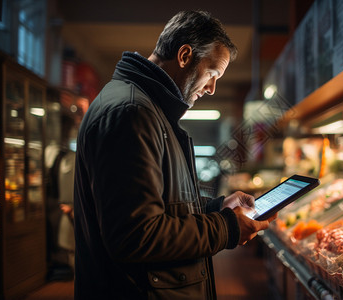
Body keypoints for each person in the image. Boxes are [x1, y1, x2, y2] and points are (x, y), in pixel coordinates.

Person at [73, 10, 275, 300]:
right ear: (184, 56)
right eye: (212, 73)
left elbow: (159, 205)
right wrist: (228, 227)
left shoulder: (148, 110)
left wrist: (218, 207)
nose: (211, 88)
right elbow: (136, 235)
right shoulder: (131, 113)